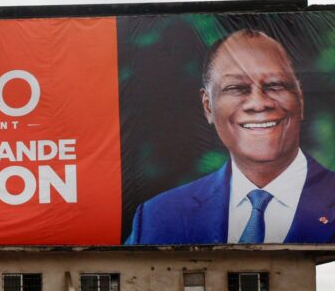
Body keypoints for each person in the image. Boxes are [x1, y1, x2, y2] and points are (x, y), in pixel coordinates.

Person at [127, 28, 335, 245]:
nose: (258, 103)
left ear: (300, 99)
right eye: (236, 88)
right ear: (208, 106)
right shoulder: (158, 218)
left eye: (275, 85)